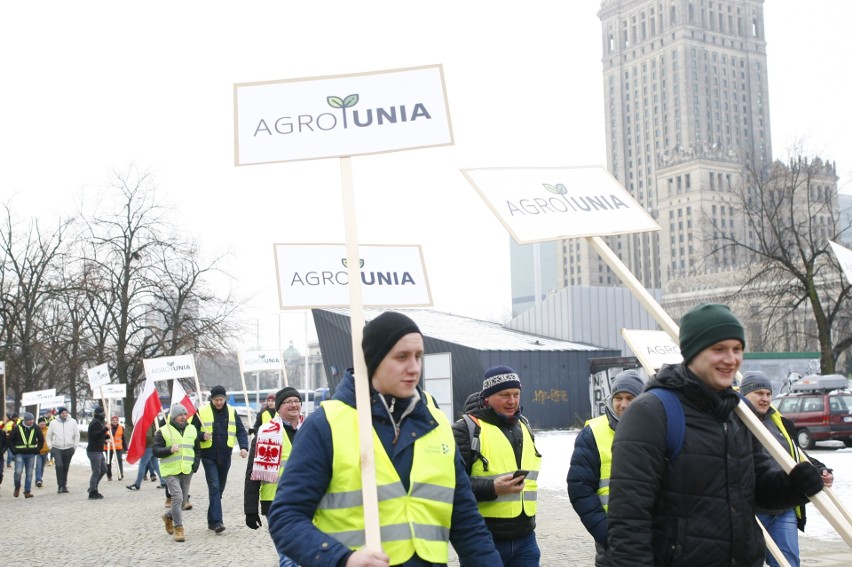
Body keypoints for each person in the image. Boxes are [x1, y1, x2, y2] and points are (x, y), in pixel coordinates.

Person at [267, 310, 501, 567]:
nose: (414, 368)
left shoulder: (437, 424)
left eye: (418, 356)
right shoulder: (326, 425)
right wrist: (342, 559)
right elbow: (286, 517)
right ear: (373, 360)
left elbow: (466, 522)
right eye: (401, 357)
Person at [607, 303, 826, 566]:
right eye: (718, 349)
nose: (731, 359)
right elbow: (629, 521)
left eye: (737, 349)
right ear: (692, 353)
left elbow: (755, 491)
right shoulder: (651, 413)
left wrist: (794, 487)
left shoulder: (738, 414)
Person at [740, 370, 835, 567]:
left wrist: (819, 469)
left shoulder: (781, 422)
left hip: (784, 509)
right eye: (759, 393)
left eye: (768, 394)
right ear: (744, 395)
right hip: (752, 511)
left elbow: (797, 455)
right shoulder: (734, 423)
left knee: (788, 563)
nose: (765, 399)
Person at [452, 365, 543, 566]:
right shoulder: (466, 430)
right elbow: (451, 485)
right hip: (483, 539)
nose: (512, 401)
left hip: (526, 539)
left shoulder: (524, 426)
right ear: (487, 397)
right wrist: (492, 488)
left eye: (516, 394)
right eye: (504, 395)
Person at [568, 369, 644, 566]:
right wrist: (606, 534)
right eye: (618, 397)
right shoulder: (592, 433)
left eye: (630, 397)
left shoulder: (656, 429)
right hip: (612, 539)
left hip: (650, 536)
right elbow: (580, 489)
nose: (623, 404)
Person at [244, 387, 303, 567]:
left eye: (296, 401)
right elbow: (252, 473)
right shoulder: (265, 433)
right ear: (278, 407)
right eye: (288, 402)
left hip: (307, 501)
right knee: (288, 556)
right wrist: (250, 509)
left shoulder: (311, 429)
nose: (293, 405)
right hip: (276, 502)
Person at [191, 384, 249, 533]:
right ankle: (217, 522)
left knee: (219, 489)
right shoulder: (201, 412)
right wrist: (201, 436)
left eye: (221, 399)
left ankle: (211, 520)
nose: (219, 402)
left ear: (225, 399)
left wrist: (243, 447)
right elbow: (191, 431)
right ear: (212, 399)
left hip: (225, 456)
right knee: (215, 487)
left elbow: (241, 431)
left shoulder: (231, 411)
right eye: (216, 399)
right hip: (208, 456)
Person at [154, 404, 200, 542]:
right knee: (178, 497)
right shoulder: (163, 431)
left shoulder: (192, 429)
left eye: (185, 415)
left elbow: (197, 449)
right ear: (174, 417)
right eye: (181, 415)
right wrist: (169, 450)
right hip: (170, 471)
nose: (184, 417)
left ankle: (168, 516)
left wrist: (195, 465)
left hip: (187, 470)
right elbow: (155, 450)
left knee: (182, 502)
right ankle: (179, 529)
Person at [10, 412, 44, 498]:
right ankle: (17, 486)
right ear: (25, 420)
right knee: (18, 472)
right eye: (29, 420)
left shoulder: (36, 428)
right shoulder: (17, 428)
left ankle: (27, 491)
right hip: (19, 454)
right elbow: (10, 440)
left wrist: (37, 449)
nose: (31, 422)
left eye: (32, 420)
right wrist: (14, 451)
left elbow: (41, 440)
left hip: (31, 454)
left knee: (29, 473)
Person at [46, 406, 79, 494]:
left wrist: (74, 446)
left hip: (69, 448)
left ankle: (64, 485)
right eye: (62, 413)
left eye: (65, 413)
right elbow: (48, 436)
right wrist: (50, 446)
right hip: (57, 448)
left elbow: (77, 435)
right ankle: (60, 485)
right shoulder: (53, 423)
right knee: (59, 466)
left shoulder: (72, 422)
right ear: (59, 414)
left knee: (65, 467)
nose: (64, 414)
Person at [126, 421, 167, 492]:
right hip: (152, 446)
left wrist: (142, 444)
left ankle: (137, 484)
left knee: (143, 464)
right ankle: (163, 482)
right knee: (155, 465)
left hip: (149, 446)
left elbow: (147, 437)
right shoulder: (152, 423)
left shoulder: (148, 424)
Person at [86, 406, 110, 500]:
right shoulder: (96, 423)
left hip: (99, 450)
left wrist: (105, 438)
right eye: (103, 413)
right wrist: (105, 429)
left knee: (104, 469)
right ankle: (93, 492)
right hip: (94, 451)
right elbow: (95, 435)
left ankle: (93, 486)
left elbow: (99, 436)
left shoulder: (99, 422)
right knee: (96, 471)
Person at [104, 415, 126, 481]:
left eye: (116, 420)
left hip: (118, 447)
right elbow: (103, 437)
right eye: (113, 420)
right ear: (111, 421)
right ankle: (109, 475)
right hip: (108, 447)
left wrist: (126, 448)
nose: (115, 421)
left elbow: (123, 438)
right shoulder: (107, 428)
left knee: (119, 460)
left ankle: (120, 474)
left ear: (118, 421)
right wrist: (105, 441)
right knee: (108, 461)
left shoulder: (121, 428)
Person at [35, 417, 50, 488]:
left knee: (42, 467)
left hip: (45, 451)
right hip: (38, 452)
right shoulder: (35, 430)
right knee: (38, 466)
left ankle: (39, 478)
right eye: (40, 422)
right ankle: (38, 480)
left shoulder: (48, 430)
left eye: (43, 422)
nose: (42, 423)